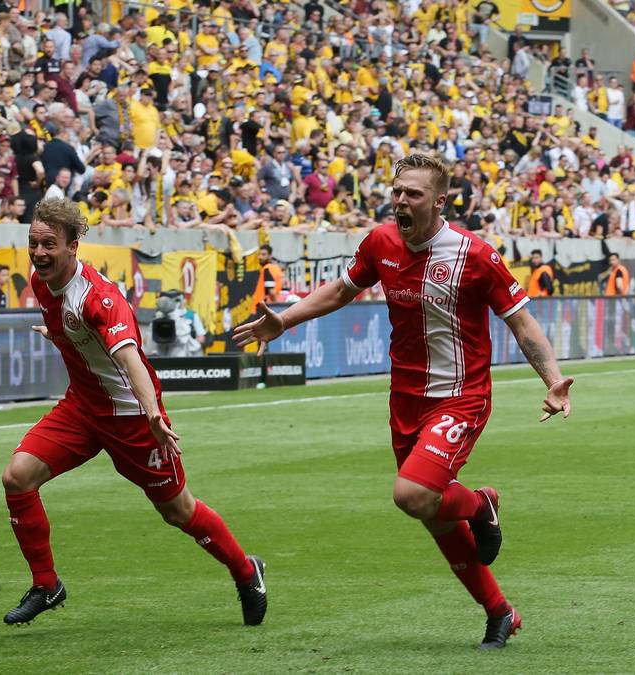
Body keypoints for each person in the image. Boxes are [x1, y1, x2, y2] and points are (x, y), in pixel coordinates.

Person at [233, 154, 573, 649]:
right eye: (397, 192)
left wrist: (553, 378)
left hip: (461, 396)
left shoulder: (475, 256)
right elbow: (341, 290)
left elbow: (521, 323)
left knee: (411, 495)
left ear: (439, 202)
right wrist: (284, 320)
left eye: (412, 194)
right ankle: (500, 611)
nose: (400, 201)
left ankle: (481, 504)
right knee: (432, 512)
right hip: (405, 400)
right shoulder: (381, 242)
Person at [0, 198, 268, 626]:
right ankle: (47, 584)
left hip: (131, 417)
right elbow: (77, 334)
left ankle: (245, 571)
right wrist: (59, 335)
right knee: (17, 477)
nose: (39, 253)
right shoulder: (41, 279)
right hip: (82, 408)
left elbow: (130, 361)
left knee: (177, 511)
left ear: (74, 247)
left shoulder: (100, 300)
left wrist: (152, 413)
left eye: (49, 244)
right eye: (33, 243)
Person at [252, 244, 284, 308]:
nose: (260, 257)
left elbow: (271, 292)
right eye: (259, 254)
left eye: (263, 254)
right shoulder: (276, 268)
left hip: (266, 307)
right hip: (270, 306)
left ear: (270, 256)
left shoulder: (267, 269)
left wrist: (277, 307)